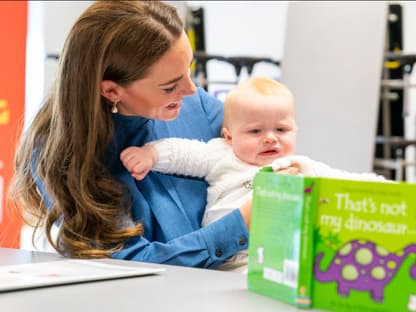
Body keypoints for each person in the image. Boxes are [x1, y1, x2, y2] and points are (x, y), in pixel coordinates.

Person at [11, 0, 258, 269]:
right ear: (112, 91)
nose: (191, 90)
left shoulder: (198, 108)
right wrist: (240, 225)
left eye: (188, 70)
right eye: (170, 85)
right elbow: (135, 264)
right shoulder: (61, 159)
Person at [120, 77, 386, 271]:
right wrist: (150, 155)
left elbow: (345, 181)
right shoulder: (222, 154)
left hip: (276, 257)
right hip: (227, 257)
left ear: (296, 131)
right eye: (255, 132)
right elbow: (184, 153)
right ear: (229, 136)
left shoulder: (300, 165)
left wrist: (389, 190)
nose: (270, 139)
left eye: (281, 130)